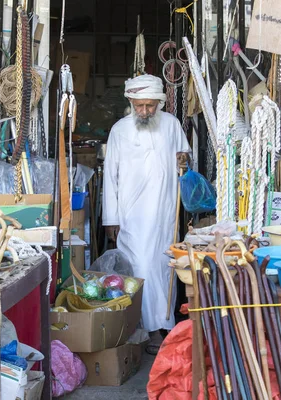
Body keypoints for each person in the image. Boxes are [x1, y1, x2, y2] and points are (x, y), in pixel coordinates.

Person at [102, 74, 191, 355]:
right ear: (131, 102)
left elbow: (185, 160)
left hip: (164, 213)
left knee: (165, 269)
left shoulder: (172, 125)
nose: (144, 111)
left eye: (150, 106)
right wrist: (111, 218)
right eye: (139, 106)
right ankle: (148, 328)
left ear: (160, 103)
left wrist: (184, 161)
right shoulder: (119, 131)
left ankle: (165, 325)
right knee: (140, 266)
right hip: (132, 216)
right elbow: (110, 177)